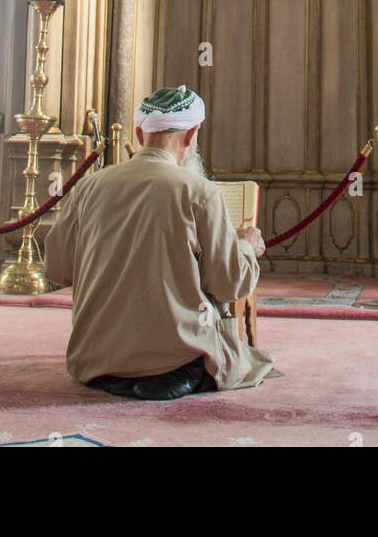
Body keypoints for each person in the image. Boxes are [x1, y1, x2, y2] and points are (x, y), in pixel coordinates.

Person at [43, 84, 275, 400]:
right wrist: (246, 245)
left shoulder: (89, 187)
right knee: (239, 357)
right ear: (192, 135)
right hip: (173, 363)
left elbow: (57, 268)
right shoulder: (200, 192)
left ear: (140, 133)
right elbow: (229, 283)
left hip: (94, 362)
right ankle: (171, 369)